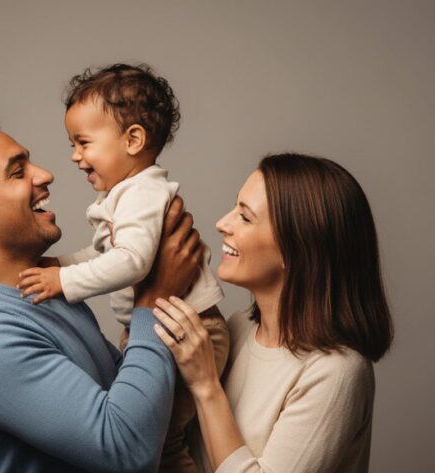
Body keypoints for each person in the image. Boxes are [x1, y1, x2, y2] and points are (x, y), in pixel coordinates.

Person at [0, 107, 206, 473]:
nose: (46, 175)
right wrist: (154, 298)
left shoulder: (44, 290)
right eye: (18, 172)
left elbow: (130, 396)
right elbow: (127, 452)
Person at [16, 63, 230, 473]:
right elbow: (109, 258)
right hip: (163, 328)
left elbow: (131, 263)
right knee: (161, 436)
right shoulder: (126, 194)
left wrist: (63, 279)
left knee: (160, 444)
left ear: (133, 139)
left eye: (83, 143)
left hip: (191, 330)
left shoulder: (142, 192)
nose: (75, 157)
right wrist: (59, 264)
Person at [151, 153, 394, 473]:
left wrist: (206, 386)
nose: (222, 224)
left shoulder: (337, 372)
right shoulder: (235, 330)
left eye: (245, 217)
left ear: (298, 250)